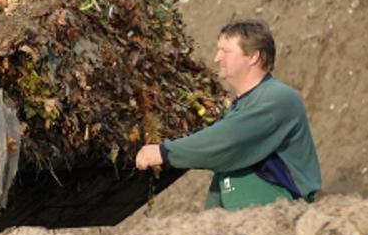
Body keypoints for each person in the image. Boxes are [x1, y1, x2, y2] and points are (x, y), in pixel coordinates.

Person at [134, 19, 321, 209]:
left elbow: (228, 140)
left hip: (278, 219)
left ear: (253, 57)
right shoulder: (238, 109)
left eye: (226, 51)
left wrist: (165, 152)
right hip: (241, 224)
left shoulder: (277, 99)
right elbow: (224, 166)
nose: (217, 58)